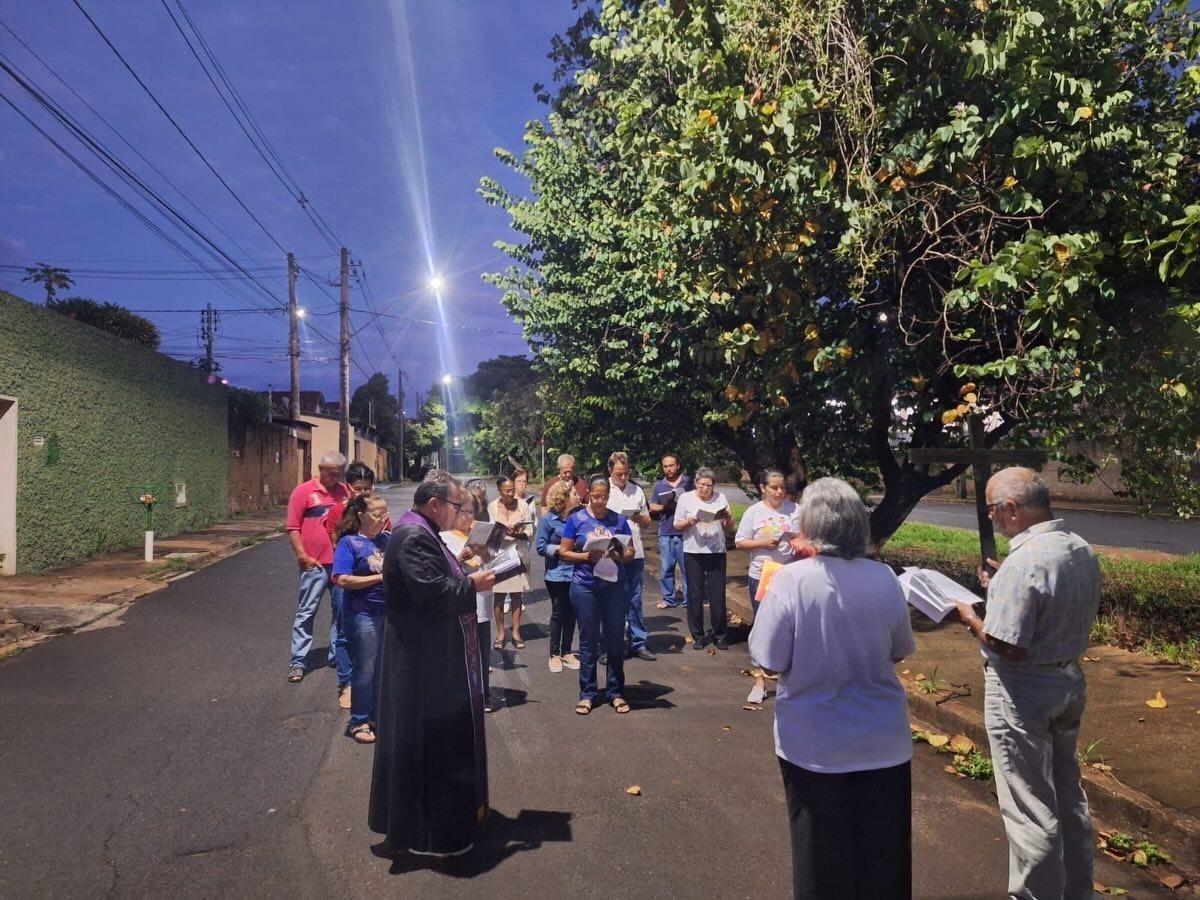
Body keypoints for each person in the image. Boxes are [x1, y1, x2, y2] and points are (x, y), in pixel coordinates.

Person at [749, 477, 915, 900]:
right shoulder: (883, 578)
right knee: (884, 858)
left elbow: (769, 660)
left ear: (808, 524)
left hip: (814, 745)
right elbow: (900, 650)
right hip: (883, 741)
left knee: (821, 859)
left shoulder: (789, 581)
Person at [953, 468, 1101, 900]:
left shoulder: (1025, 561)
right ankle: (1077, 891)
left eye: (993, 511)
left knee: (1028, 805)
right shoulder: (1077, 548)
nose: (993, 520)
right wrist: (1001, 582)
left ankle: (1036, 894)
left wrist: (970, 618)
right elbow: (1048, 598)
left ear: (1012, 509)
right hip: (1068, 680)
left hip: (1023, 691)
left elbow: (1007, 645)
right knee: (1068, 796)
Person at [369, 470, 497, 858]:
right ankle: (428, 835)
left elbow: (433, 577)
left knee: (431, 745)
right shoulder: (412, 536)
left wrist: (460, 566)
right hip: (422, 663)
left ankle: (428, 827)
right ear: (435, 504)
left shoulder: (419, 531)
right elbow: (433, 593)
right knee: (428, 747)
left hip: (426, 653)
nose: (458, 513)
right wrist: (473, 584)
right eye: (456, 506)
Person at [559, 475, 635, 715]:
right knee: (588, 640)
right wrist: (584, 556)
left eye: (604, 496)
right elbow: (563, 552)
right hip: (585, 585)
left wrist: (620, 555)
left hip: (614, 585)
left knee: (614, 639)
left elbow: (631, 551)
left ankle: (615, 692)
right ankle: (588, 693)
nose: (600, 501)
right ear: (588, 495)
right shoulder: (576, 519)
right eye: (596, 496)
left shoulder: (619, 520)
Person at [285, 451, 352, 688]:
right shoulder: (303, 492)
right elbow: (292, 527)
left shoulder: (345, 493)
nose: (334, 478)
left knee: (340, 611)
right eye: (330, 472)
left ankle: (337, 654)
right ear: (320, 468)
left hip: (340, 565)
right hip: (313, 564)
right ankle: (299, 660)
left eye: (338, 474)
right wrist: (302, 556)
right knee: (307, 611)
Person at [736, 469, 803, 703]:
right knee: (763, 628)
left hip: (791, 577)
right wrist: (763, 542)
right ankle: (759, 682)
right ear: (763, 488)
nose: (779, 491)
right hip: (762, 575)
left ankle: (789, 681)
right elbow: (740, 541)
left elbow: (809, 538)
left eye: (782, 487)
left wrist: (797, 542)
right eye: (774, 487)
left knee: (794, 629)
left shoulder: (796, 511)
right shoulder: (754, 512)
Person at [332, 492, 390, 744]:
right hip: (362, 614)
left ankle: (378, 715)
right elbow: (342, 579)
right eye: (377, 515)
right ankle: (360, 720)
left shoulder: (388, 539)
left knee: (382, 667)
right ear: (362, 516)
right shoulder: (349, 543)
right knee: (365, 667)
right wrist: (379, 578)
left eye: (385, 514)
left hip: (387, 612)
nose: (383, 520)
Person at [441, 493, 499, 713]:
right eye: (462, 512)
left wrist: (487, 555)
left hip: (482, 600)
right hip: (458, 601)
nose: (467, 517)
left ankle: (482, 695)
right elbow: (442, 569)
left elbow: (492, 561)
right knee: (458, 651)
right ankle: (458, 695)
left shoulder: (482, 533)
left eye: (470, 512)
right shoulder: (444, 537)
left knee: (482, 651)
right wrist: (460, 557)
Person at [674, 467, 735, 649]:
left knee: (717, 594)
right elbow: (677, 525)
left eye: (709, 485)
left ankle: (719, 634)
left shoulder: (720, 498)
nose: (705, 489)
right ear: (695, 483)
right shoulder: (686, 498)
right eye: (702, 485)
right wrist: (690, 521)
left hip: (716, 550)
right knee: (695, 593)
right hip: (694, 550)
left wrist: (728, 518)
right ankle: (698, 635)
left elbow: (728, 527)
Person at [606, 451, 655, 661]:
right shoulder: (603, 489)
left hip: (634, 552)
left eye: (626, 473)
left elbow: (648, 520)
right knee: (610, 600)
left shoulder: (637, 491)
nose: (624, 477)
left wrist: (637, 517)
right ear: (610, 471)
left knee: (634, 598)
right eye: (619, 474)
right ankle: (611, 645)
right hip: (610, 553)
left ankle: (638, 642)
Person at [537, 480, 579, 674]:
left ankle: (567, 651)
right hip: (556, 574)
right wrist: (561, 550)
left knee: (572, 613)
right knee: (558, 612)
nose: (578, 496)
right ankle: (554, 654)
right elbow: (541, 547)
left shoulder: (578, 517)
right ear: (563, 498)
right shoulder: (548, 520)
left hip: (576, 572)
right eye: (574, 494)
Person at [488, 475, 535, 649]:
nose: (510, 494)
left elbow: (530, 531)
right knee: (498, 596)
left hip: (518, 553)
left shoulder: (523, 506)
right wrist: (501, 531)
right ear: (499, 491)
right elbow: (487, 531)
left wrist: (516, 533)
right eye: (507, 491)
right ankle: (501, 633)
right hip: (499, 555)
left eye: (512, 491)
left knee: (517, 595)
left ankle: (516, 632)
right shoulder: (492, 507)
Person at [649, 453, 693, 608]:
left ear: (678, 465)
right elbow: (652, 506)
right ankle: (669, 599)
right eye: (665, 466)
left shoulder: (689, 483)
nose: (668, 469)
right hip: (666, 531)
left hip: (686, 532)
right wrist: (664, 507)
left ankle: (689, 600)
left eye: (671, 465)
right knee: (667, 568)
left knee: (687, 568)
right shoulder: (659, 486)